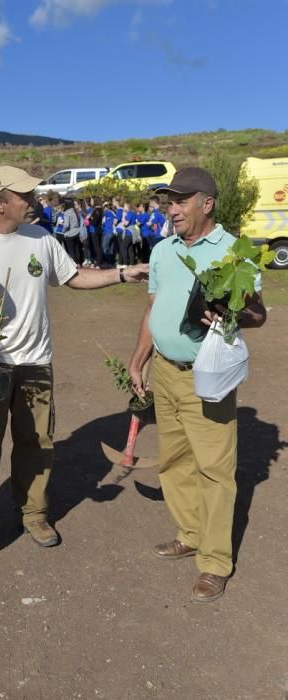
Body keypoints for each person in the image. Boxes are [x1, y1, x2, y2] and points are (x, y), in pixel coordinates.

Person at [0, 165, 148, 555]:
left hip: (37, 363)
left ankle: (34, 513)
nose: (33, 202)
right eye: (24, 196)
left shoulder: (41, 239)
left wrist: (121, 273)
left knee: (37, 442)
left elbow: (74, 277)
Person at [128, 167, 267, 603]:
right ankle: (189, 533)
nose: (172, 209)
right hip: (166, 372)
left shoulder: (232, 251)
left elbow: (259, 314)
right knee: (173, 462)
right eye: (168, 201)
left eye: (181, 201)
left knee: (214, 470)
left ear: (206, 203)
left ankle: (214, 562)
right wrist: (139, 359)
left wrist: (231, 315)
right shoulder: (163, 250)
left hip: (206, 376)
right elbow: (154, 309)